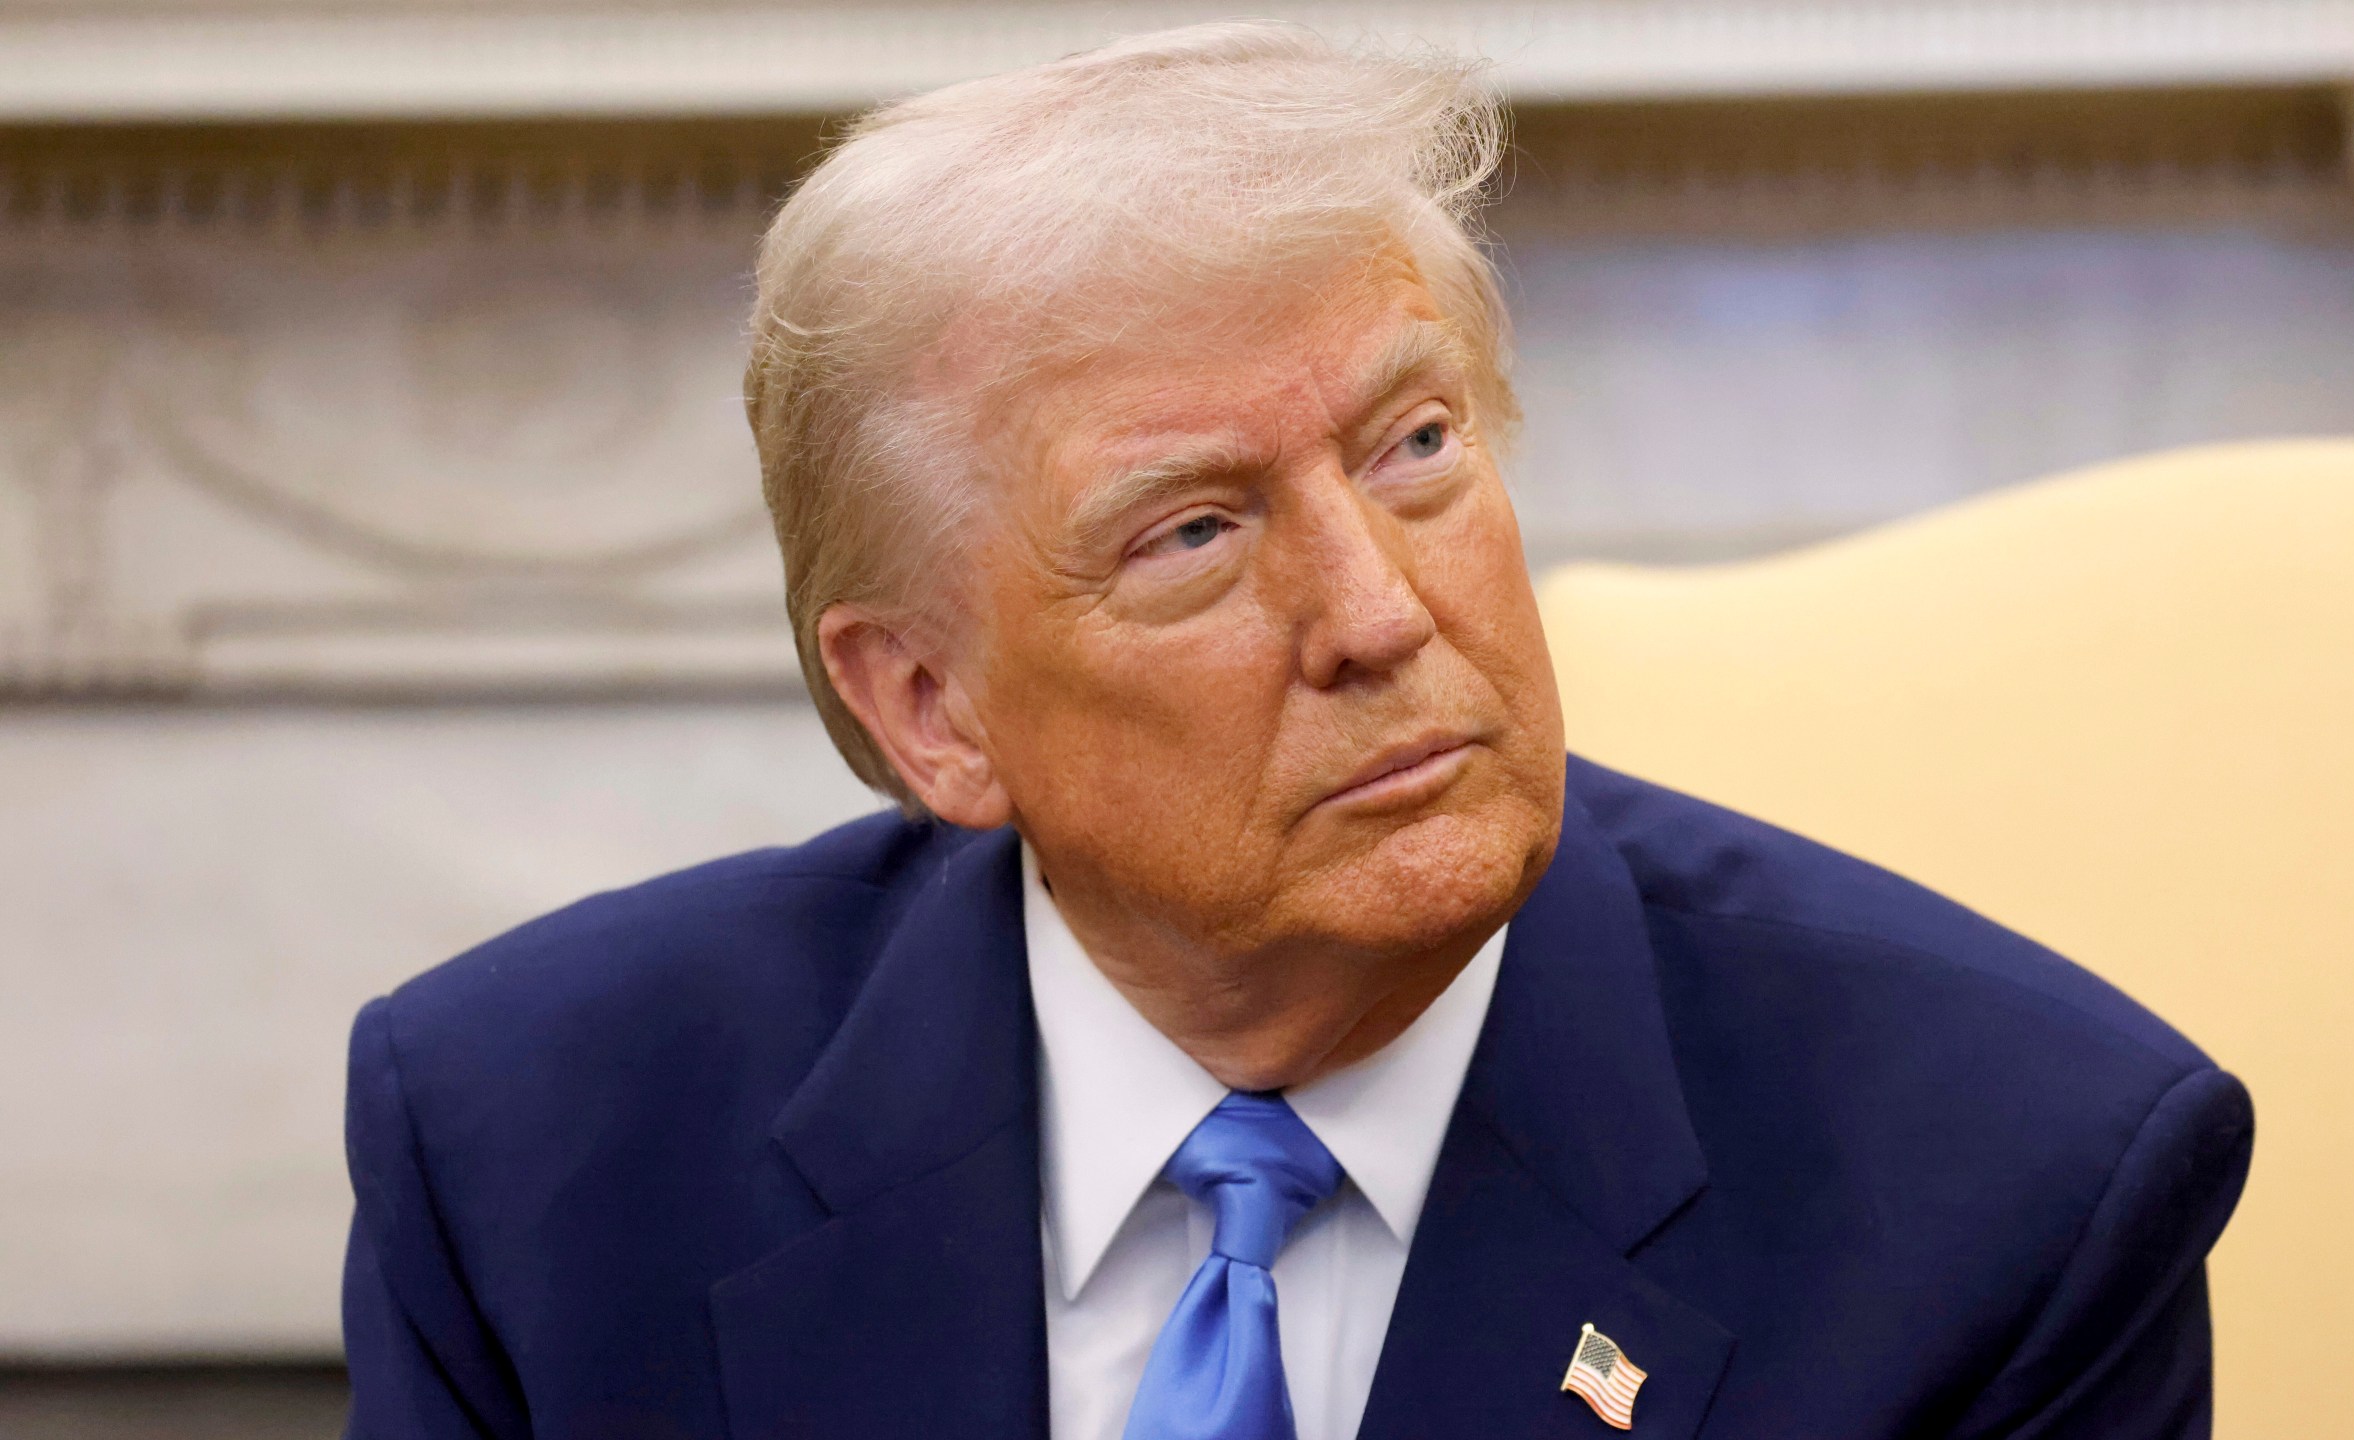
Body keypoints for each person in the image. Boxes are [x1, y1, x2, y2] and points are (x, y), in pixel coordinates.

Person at [339, 23, 2252, 1440]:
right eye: (1194, 532)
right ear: (930, 707)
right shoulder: (536, 1157)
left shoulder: (2016, 1185)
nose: (1379, 610)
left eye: (1417, 447)